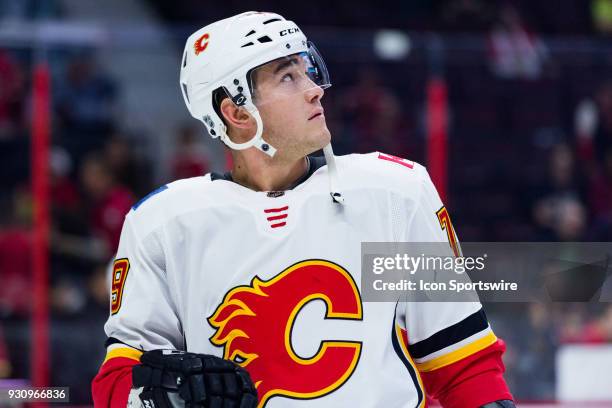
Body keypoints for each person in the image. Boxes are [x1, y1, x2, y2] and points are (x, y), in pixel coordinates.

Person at [92, 12, 514, 408]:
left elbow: (464, 365)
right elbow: (115, 382)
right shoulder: (164, 224)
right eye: (288, 77)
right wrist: (162, 394)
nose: (315, 88)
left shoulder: (394, 194)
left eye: (306, 70)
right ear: (237, 111)